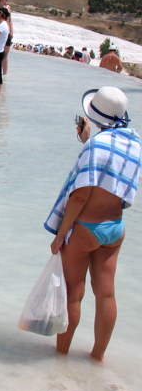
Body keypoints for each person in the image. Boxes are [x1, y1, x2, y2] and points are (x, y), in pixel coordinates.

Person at [45, 87, 140, 360]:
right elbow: (112, 171)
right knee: (106, 295)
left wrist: (59, 235)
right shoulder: (134, 143)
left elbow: (80, 195)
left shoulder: (96, 147)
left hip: (85, 228)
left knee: (74, 294)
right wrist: (87, 140)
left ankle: (60, 358)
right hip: (115, 227)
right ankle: (97, 358)